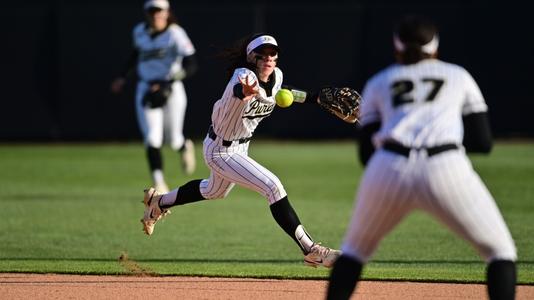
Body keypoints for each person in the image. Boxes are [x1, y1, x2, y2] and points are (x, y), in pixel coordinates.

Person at [327, 15, 517, 299]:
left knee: (353, 253)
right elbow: (482, 142)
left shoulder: (381, 81)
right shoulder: (457, 76)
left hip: (388, 167)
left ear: (397, 48)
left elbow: (366, 154)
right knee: (500, 252)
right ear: (435, 49)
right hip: (446, 166)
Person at [140, 33, 342, 268]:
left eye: (272, 53)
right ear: (251, 57)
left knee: (214, 191)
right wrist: (244, 92)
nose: (268, 58)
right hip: (220, 150)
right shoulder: (243, 77)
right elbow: (240, 90)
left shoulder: (276, 76)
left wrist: (316, 98)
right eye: (262, 54)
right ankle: (312, 250)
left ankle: (158, 202)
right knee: (273, 187)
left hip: (240, 147)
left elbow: (282, 91)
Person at [111, 0, 197, 193]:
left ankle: (183, 146)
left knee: (174, 138)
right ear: (147, 13)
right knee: (152, 138)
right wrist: (122, 77)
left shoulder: (175, 33)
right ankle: (159, 182)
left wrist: (168, 82)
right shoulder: (139, 31)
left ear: (167, 13)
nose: (156, 15)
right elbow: (135, 55)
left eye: (159, 11)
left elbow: (191, 64)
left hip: (171, 88)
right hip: (146, 87)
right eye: (152, 11)